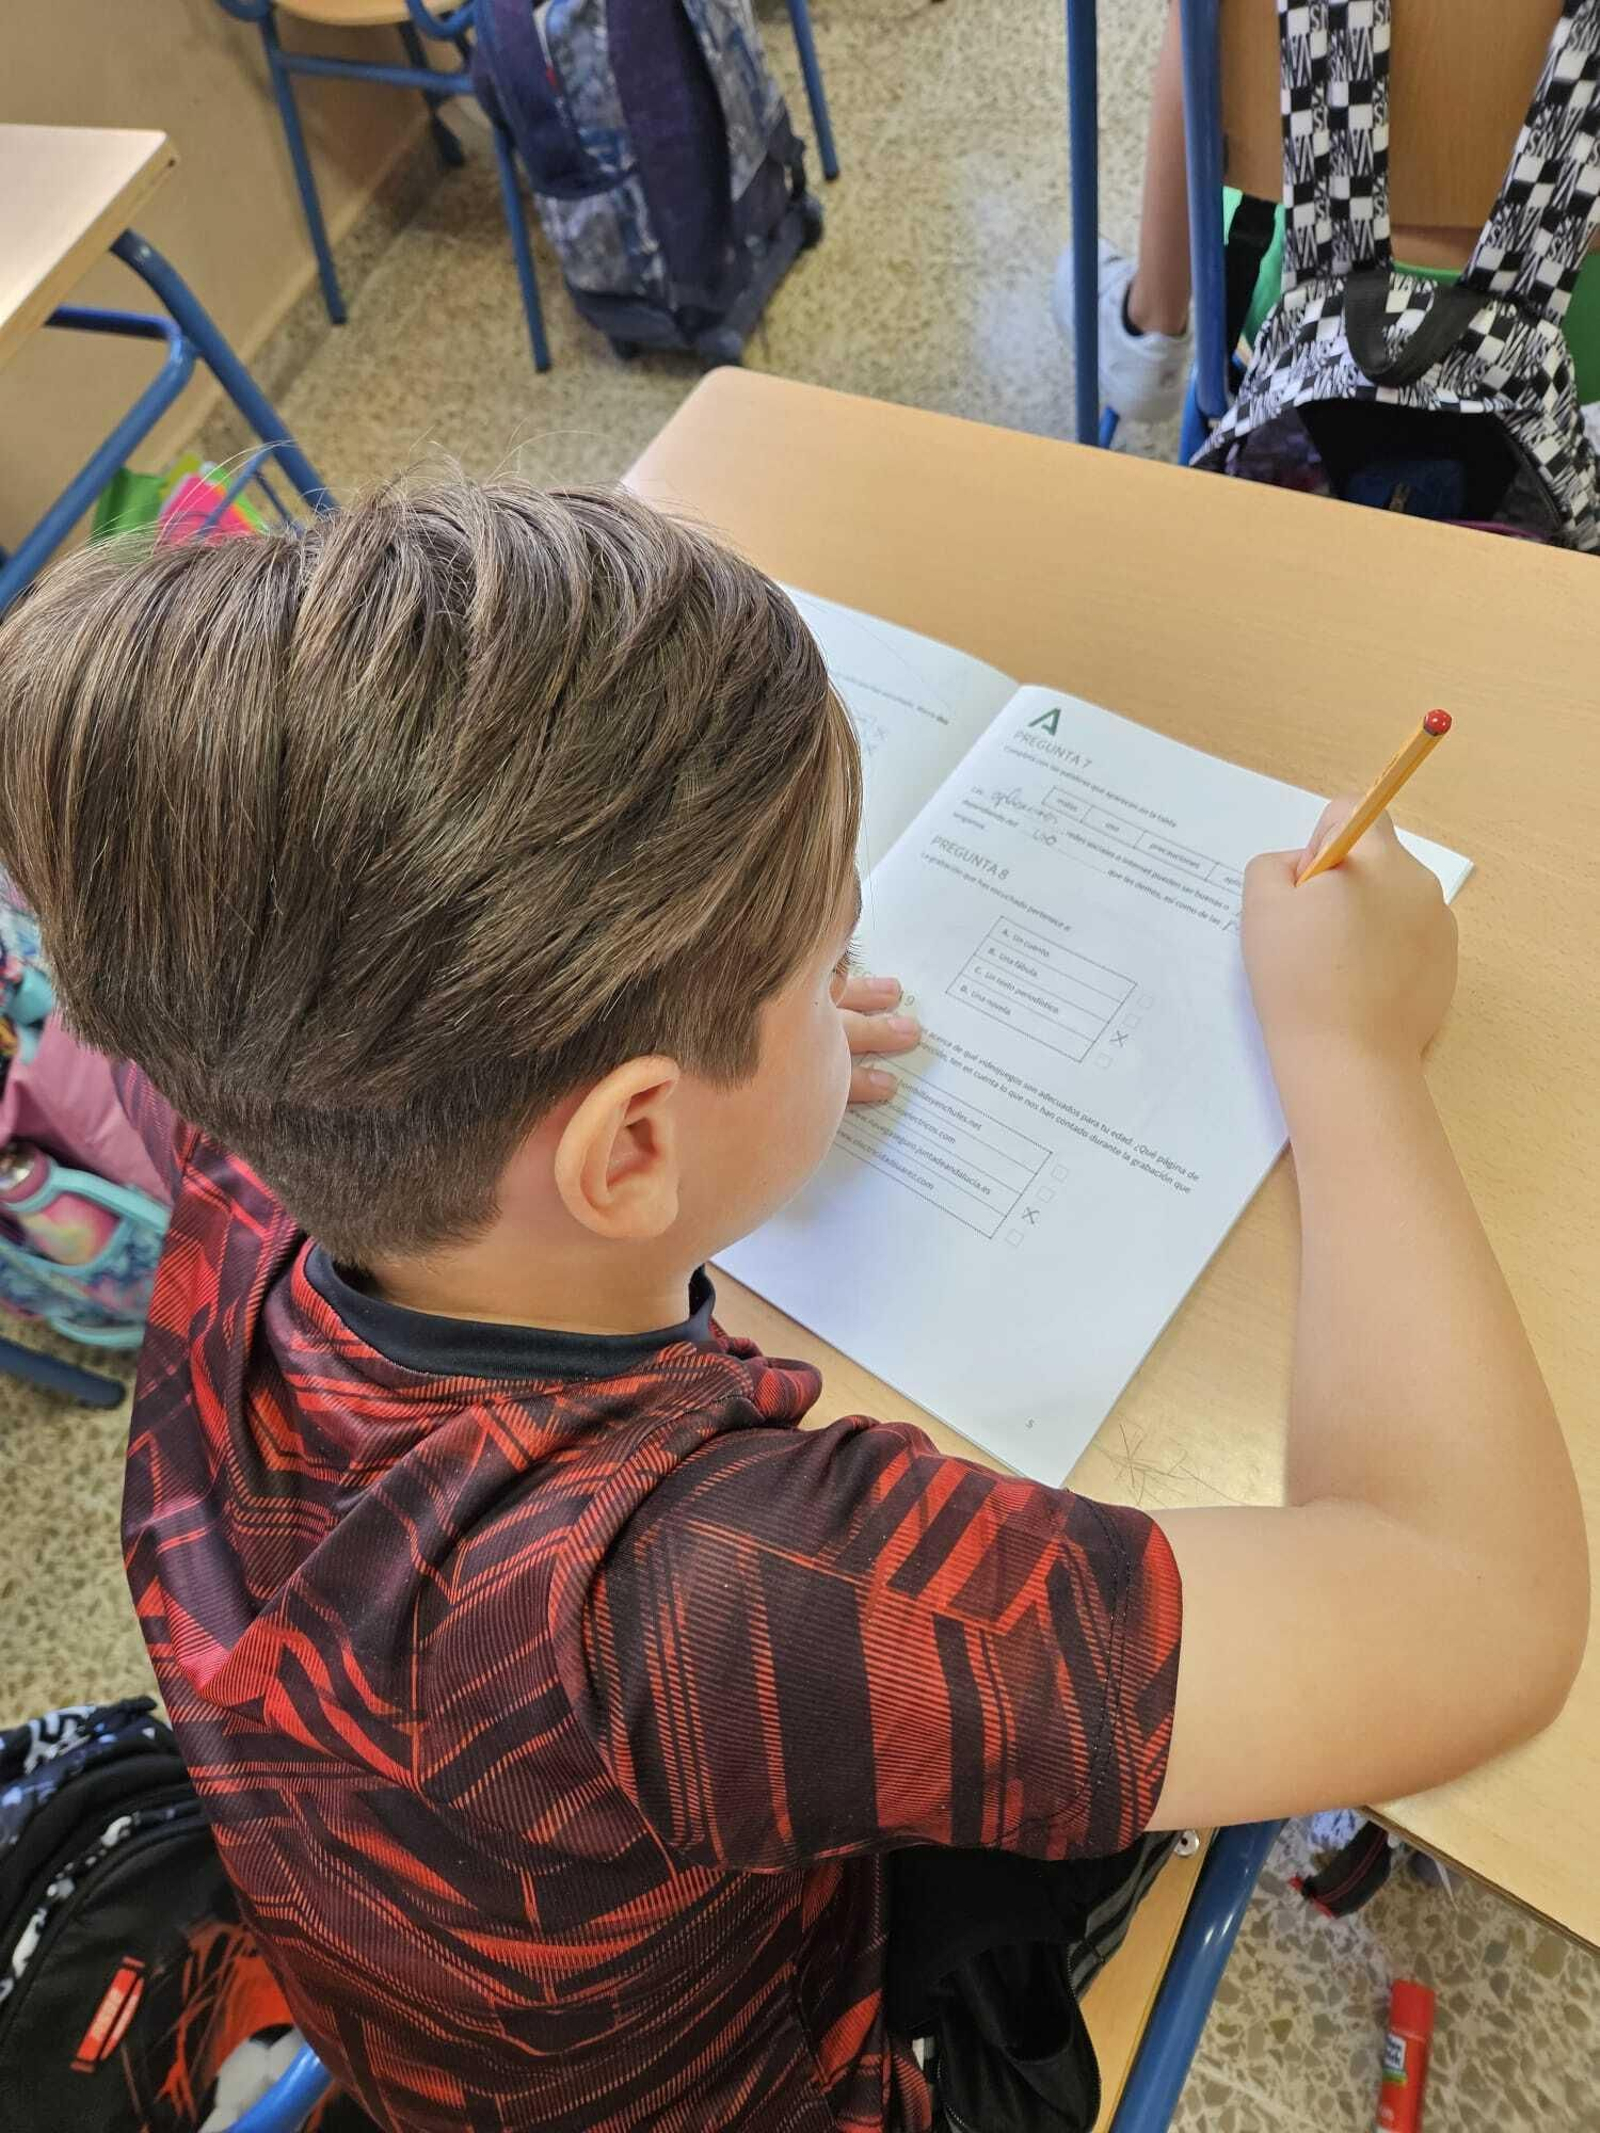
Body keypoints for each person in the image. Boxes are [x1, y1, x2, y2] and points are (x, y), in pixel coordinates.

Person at [0, 483, 1583, 2133]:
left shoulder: (254, 1159)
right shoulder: (712, 1597)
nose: (847, 985)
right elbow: (1483, 1616)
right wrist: (1353, 1056)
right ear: (630, 1144)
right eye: (824, 959)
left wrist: (740, 1086)